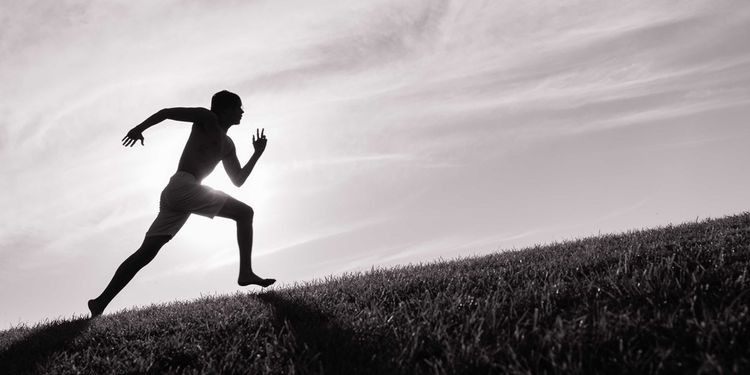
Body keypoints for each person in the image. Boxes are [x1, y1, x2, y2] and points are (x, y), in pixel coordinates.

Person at [88, 90, 275, 318]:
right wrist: (139, 129)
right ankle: (245, 272)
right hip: (183, 186)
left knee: (145, 254)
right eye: (239, 107)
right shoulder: (207, 118)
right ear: (225, 109)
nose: (242, 112)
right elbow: (166, 113)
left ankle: (99, 303)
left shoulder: (228, 145)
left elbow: (238, 180)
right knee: (245, 213)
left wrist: (257, 154)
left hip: (180, 194)